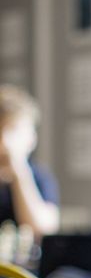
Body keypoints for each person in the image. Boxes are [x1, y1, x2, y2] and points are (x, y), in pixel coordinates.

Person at [0, 85, 59, 236]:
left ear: (31, 138)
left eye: (13, 131)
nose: (5, 141)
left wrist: (19, 172)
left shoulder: (40, 177)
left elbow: (42, 229)